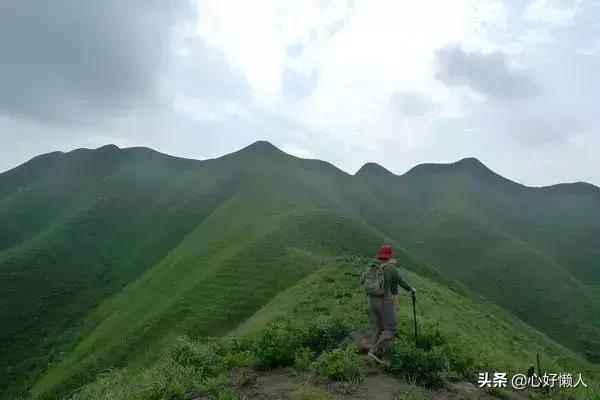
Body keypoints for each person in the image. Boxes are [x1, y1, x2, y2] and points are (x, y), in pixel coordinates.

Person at [361, 244, 415, 365]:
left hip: (371, 301)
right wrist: (412, 289)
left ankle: (372, 352)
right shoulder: (391, 269)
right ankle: (375, 352)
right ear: (389, 256)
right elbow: (402, 283)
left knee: (377, 328)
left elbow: (362, 280)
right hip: (384, 301)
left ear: (379, 254)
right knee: (390, 329)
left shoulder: (371, 266)